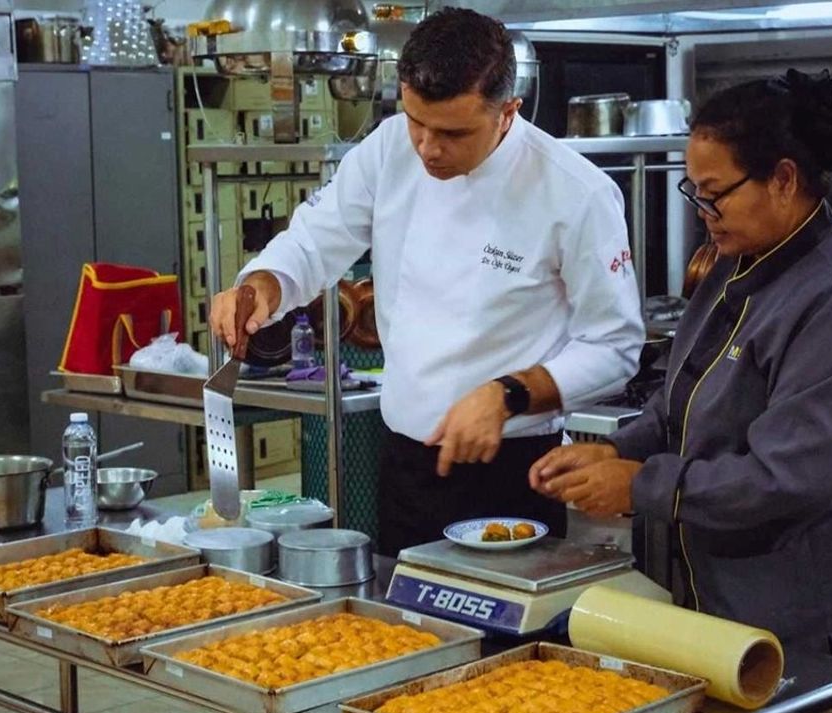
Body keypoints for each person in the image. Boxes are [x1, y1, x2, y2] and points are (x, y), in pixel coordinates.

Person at [209, 8, 643, 555]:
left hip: (512, 473)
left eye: (453, 132)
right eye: (417, 121)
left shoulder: (576, 193)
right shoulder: (391, 149)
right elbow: (315, 240)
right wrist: (265, 284)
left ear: (508, 112)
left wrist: (508, 394)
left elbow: (615, 346)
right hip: (406, 467)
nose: (428, 148)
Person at [530, 69, 832, 670]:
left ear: (784, 180)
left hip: (821, 623)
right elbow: (681, 396)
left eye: (714, 193)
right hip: (735, 608)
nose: (702, 211)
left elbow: (791, 476)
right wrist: (617, 450)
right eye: (695, 193)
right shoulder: (735, 262)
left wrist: (640, 485)